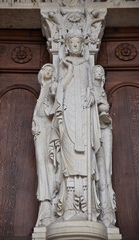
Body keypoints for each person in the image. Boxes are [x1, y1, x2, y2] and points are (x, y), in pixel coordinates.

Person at [55, 33, 101, 221]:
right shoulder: (63, 63)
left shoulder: (87, 65)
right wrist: (69, 70)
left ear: (82, 46)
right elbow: (58, 89)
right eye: (72, 42)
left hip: (83, 116)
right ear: (66, 46)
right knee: (69, 158)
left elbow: (93, 89)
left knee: (85, 158)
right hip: (68, 114)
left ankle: (86, 207)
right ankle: (69, 207)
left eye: (77, 42)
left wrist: (93, 96)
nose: (75, 45)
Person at [32, 63, 60, 226]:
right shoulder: (43, 88)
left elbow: (56, 97)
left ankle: (51, 205)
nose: (49, 72)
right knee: (42, 165)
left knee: (50, 164)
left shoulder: (52, 86)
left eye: (51, 70)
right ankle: (45, 208)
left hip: (50, 128)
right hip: (40, 129)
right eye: (46, 70)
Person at [93, 65, 116, 227]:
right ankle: (102, 210)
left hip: (105, 129)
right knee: (99, 171)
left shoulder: (101, 90)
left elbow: (104, 107)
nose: (100, 74)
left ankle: (108, 212)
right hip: (93, 132)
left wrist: (103, 111)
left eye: (102, 72)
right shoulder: (88, 89)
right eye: (97, 72)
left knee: (106, 170)